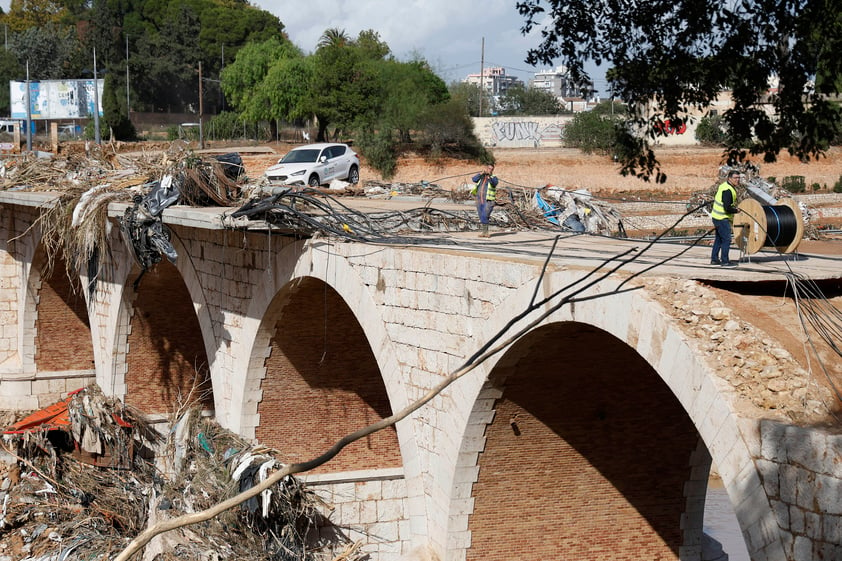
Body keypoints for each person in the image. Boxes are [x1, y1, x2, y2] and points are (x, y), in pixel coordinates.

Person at [710, 169, 741, 266]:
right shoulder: (727, 190)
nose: (737, 180)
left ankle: (714, 259)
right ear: (729, 178)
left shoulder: (724, 186)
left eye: (739, 178)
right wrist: (736, 211)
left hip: (716, 217)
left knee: (719, 239)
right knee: (726, 239)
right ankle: (725, 261)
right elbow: (727, 208)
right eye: (735, 178)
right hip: (721, 218)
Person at [471, 163, 498, 237]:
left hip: (488, 201)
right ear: (486, 168)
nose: (490, 170)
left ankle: (486, 232)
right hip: (479, 199)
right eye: (488, 168)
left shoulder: (493, 178)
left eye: (491, 169)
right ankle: (484, 232)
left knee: (485, 215)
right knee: (481, 215)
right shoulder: (481, 177)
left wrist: (489, 177)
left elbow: (494, 183)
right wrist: (481, 173)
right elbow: (474, 179)